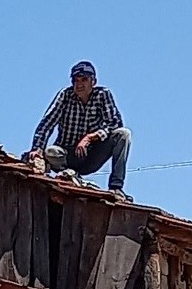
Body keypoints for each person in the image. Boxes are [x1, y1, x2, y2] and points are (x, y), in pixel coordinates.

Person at [28, 61, 132, 202]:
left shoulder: (103, 95)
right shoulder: (65, 96)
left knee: (123, 134)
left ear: (93, 82)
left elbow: (115, 123)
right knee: (50, 152)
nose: (79, 84)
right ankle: (69, 175)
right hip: (67, 154)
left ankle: (116, 187)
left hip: (91, 154)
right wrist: (37, 149)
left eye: (84, 80)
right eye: (76, 80)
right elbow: (47, 123)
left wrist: (91, 137)